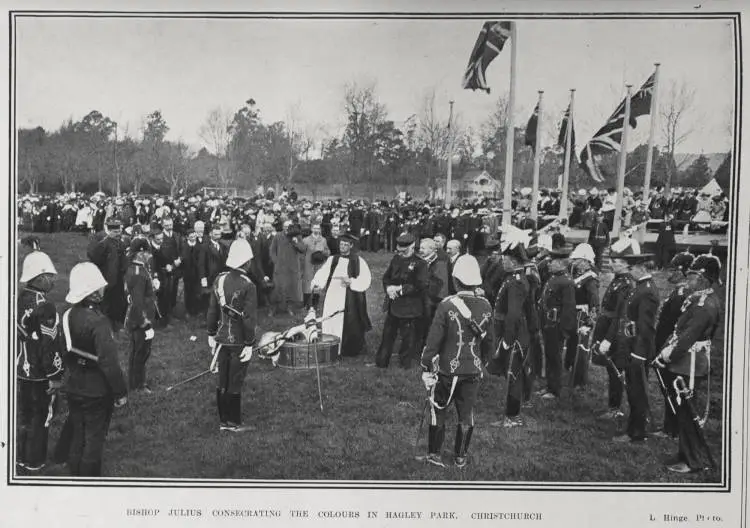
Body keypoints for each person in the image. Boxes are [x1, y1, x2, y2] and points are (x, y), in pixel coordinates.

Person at [418, 255, 494, 468]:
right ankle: (461, 457)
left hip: (448, 369)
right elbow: (490, 342)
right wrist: (482, 362)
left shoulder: (446, 305)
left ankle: (434, 455)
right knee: (466, 412)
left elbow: (433, 341)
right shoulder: (487, 305)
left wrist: (425, 364)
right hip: (474, 369)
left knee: (438, 408)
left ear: (456, 280)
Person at [655, 254, 721, 473]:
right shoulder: (697, 298)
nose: (689, 280)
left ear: (702, 278)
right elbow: (679, 330)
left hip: (690, 363)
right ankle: (684, 454)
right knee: (683, 411)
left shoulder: (704, 304)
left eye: (692, 275)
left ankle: (692, 461)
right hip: (684, 360)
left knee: (688, 413)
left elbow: (687, 337)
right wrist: (666, 350)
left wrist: (667, 355)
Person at [61, 262, 128, 476]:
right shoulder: (99, 322)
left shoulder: (68, 314)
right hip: (96, 390)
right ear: (91, 294)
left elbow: (67, 351)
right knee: (94, 439)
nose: (103, 289)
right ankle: (89, 482)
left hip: (74, 384)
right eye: (98, 287)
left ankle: (74, 474)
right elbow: (109, 363)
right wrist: (120, 392)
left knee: (78, 433)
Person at [16, 250, 64, 472]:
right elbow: (49, 344)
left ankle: (20, 457)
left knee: (25, 414)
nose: (53, 280)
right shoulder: (45, 305)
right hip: (39, 372)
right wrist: (55, 376)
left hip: (20, 368)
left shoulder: (20, 297)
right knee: (41, 415)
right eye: (50, 276)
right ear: (39, 278)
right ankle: (35, 461)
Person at [207, 239, 258, 432]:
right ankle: (233, 423)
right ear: (246, 262)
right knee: (235, 381)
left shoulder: (219, 279)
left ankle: (223, 420)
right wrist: (249, 343)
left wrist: (211, 333)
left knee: (223, 379)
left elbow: (212, 310)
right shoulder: (248, 285)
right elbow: (249, 319)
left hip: (220, 338)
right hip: (238, 340)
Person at [611, 255, 660, 443]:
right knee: (632, 390)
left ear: (641, 268)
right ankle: (634, 427)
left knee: (637, 391)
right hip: (631, 345)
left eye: (632, 268)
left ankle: (637, 432)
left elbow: (646, 327)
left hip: (638, 349)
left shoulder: (647, 291)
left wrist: (638, 354)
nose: (629, 272)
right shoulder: (640, 287)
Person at [487, 250, 536, 427]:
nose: (502, 261)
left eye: (505, 259)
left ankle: (513, 416)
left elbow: (513, 314)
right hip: (514, 331)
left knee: (513, 373)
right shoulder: (514, 277)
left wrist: (507, 339)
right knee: (514, 373)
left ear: (513, 261)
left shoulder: (516, 282)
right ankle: (514, 411)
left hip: (513, 333)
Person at [310, 232, 372, 357]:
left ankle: (346, 348)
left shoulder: (358, 261)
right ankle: (331, 345)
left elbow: (366, 278)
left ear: (351, 246)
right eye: (341, 244)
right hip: (333, 293)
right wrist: (317, 283)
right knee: (331, 318)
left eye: (345, 245)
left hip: (349, 297)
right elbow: (324, 272)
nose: (342, 247)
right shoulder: (333, 259)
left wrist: (352, 281)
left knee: (349, 321)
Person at [375, 233, 428, 369]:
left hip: (410, 307)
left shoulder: (420, 263)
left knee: (408, 338)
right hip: (394, 305)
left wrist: (400, 289)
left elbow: (421, 284)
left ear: (412, 247)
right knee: (387, 335)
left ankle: (405, 365)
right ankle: (381, 363)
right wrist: (388, 289)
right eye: (399, 250)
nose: (401, 253)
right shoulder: (396, 259)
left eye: (404, 250)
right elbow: (386, 277)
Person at [592, 256, 636, 419]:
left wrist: (609, 338)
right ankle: (612, 406)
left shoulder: (626, 284)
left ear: (625, 265)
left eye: (615, 262)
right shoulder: (618, 280)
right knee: (612, 370)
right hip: (607, 325)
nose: (610, 264)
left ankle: (615, 408)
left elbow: (619, 315)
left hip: (616, 331)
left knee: (616, 369)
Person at [537, 252, 576, 400]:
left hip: (556, 326)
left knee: (555, 357)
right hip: (548, 324)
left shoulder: (566, 282)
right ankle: (549, 385)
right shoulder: (555, 277)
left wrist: (564, 330)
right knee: (549, 355)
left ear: (561, 263)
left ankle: (554, 389)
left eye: (552, 262)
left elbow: (569, 308)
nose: (548, 264)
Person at [124, 239, 157, 393]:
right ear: (140, 253)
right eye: (147, 252)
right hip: (141, 320)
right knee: (141, 351)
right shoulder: (138, 273)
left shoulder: (139, 268)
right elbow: (137, 302)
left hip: (140, 317)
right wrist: (145, 322)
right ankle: (139, 384)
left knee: (138, 350)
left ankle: (134, 381)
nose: (149, 255)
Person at [566, 243, 600, 388]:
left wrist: (589, 323)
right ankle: (569, 369)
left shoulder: (590, 279)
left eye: (578, 259)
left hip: (582, 316)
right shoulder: (577, 273)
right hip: (573, 313)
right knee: (572, 344)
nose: (574, 262)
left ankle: (580, 381)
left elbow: (595, 304)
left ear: (586, 261)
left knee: (581, 347)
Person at [270, 220, 306, 316]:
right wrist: (276, 261)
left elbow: (303, 249)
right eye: (285, 226)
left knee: (291, 288)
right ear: (282, 227)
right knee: (278, 287)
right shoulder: (277, 236)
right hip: (280, 267)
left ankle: (289, 308)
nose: (287, 228)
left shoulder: (296, 236)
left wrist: (296, 242)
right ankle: (274, 308)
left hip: (292, 267)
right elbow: (272, 250)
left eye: (289, 226)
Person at [418, 238, 450, 348]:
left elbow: (440, 283)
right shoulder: (421, 260)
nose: (420, 250)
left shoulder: (439, 262)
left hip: (432, 300)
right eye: (420, 247)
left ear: (431, 249)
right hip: (422, 298)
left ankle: (428, 346)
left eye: (423, 248)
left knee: (429, 324)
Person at [302, 223, 330, 310]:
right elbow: (302, 253)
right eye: (314, 228)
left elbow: (327, 250)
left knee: (317, 282)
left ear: (320, 229)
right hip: (309, 264)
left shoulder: (323, 240)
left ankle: (315, 304)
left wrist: (324, 253)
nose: (316, 230)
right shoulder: (306, 240)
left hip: (319, 264)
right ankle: (306, 304)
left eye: (318, 228)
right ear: (311, 229)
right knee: (308, 283)